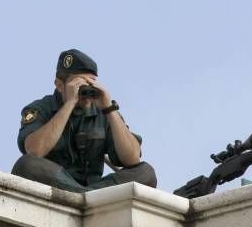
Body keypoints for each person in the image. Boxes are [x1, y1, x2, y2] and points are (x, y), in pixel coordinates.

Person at [11, 49, 157, 192]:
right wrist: (69, 103)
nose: (85, 91)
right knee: (26, 165)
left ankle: (86, 195)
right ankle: (82, 195)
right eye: (79, 84)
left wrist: (109, 109)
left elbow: (132, 159)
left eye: (90, 84)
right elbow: (34, 151)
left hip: (96, 187)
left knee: (146, 173)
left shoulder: (104, 111)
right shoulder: (41, 108)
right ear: (59, 85)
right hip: (56, 182)